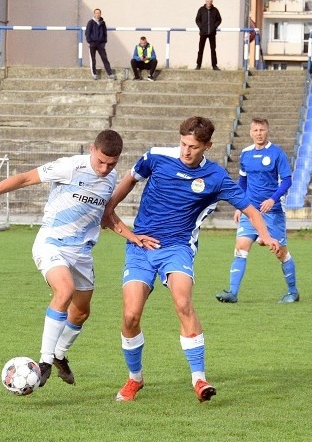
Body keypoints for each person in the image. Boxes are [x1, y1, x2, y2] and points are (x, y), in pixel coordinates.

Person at [102, 116, 280, 403]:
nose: (186, 151)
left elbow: (250, 209)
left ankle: (199, 379)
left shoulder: (217, 177)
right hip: (141, 246)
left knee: (183, 302)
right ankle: (135, 378)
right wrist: (110, 209)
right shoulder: (157, 156)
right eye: (184, 144)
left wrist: (266, 236)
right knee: (130, 315)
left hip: (178, 247)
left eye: (194, 147)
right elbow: (128, 181)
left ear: (207, 146)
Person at [0, 130, 153, 387]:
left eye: (111, 164)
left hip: (82, 252)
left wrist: (133, 236)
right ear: (91, 149)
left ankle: (59, 355)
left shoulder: (111, 179)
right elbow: (24, 178)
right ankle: (44, 362)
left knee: (81, 312)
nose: (105, 168)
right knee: (64, 290)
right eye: (100, 161)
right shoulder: (70, 167)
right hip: (51, 243)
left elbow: (106, 215)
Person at [215, 118, 298, 305]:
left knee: (280, 252)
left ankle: (293, 292)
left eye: (262, 129)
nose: (259, 133)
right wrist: (239, 206)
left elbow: (287, 180)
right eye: (255, 130)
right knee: (241, 247)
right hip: (250, 210)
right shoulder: (245, 154)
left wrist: (272, 199)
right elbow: (242, 183)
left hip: (272, 211)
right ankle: (233, 292)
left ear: (267, 131)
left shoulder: (277, 154)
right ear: (250, 132)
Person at [85, 8, 115, 80]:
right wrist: (90, 42)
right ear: (94, 14)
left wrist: (104, 42)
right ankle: (94, 74)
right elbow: (87, 33)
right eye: (96, 13)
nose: (98, 14)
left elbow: (105, 33)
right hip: (93, 43)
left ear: (100, 14)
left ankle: (110, 73)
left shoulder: (102, 23)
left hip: (100, 44)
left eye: (99, 13)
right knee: (93, 59)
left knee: (104, 58)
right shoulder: (90, 22)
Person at [195, 0, 222, 70]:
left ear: (212, 2)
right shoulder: (201, 10)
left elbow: (219, 19)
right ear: (205, 2)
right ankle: (198, 65)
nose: (209, 3)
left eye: (210, 1)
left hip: (212, 33)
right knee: (200, 49)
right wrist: (201, 27)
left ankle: (214, 65)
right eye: (207, 1)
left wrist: (214, 26)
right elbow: (197, 19)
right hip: (203, 33)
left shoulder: (215, 10)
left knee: (213, 50)